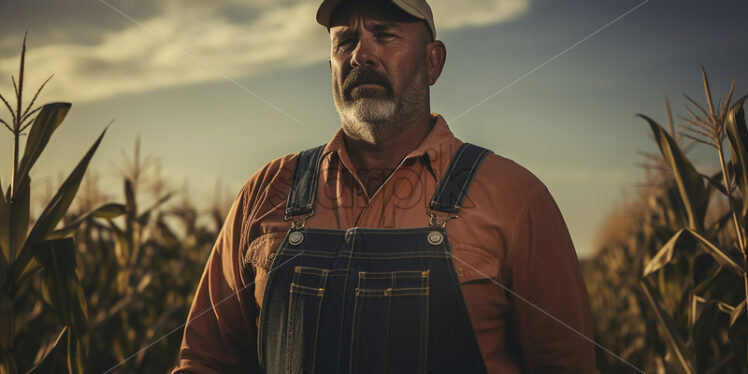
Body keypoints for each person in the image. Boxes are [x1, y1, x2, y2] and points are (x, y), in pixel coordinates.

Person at [173, 0, 599, 372]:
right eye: (345, 41)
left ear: (433, 62)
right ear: (331, 66)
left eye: (384, 34)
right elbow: (206, 362)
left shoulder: (516, 198)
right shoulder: (265, 193)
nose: (361, 54)